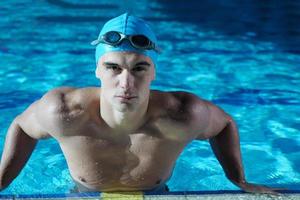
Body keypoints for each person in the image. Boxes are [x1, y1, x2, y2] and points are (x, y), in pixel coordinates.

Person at [0, 13, 279, 194]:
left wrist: (238, 180)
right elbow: (22, 126)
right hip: (85, 194)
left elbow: (225, 124)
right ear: (96, 69)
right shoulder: (64, 111)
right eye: (113, 68)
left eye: (139, 69)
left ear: (154, 72)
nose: (126, 83)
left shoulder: (182, 115)